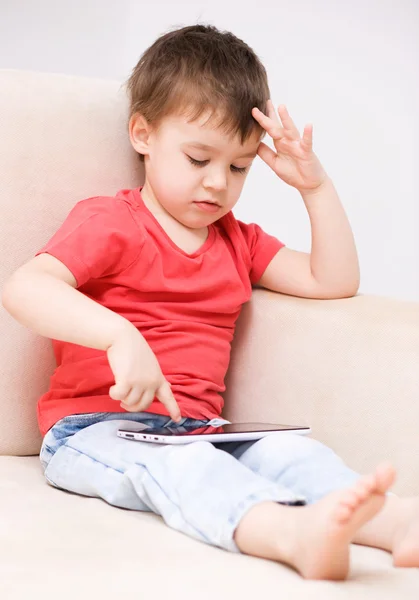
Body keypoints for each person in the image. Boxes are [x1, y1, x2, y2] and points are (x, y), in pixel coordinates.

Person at [2, 24, 419, 581]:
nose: (218, 184)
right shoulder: (112, 221)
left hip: (204, 427)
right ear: (143, 134)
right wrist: (119, 334)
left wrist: (314, 188)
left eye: (239, 167)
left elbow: (332, 279)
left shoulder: (237, 240)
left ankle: (396, 524)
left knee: (289, 456)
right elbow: (25, 287)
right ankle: (291, 534)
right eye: (198, 159)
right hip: (92, 429)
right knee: (186, 469)